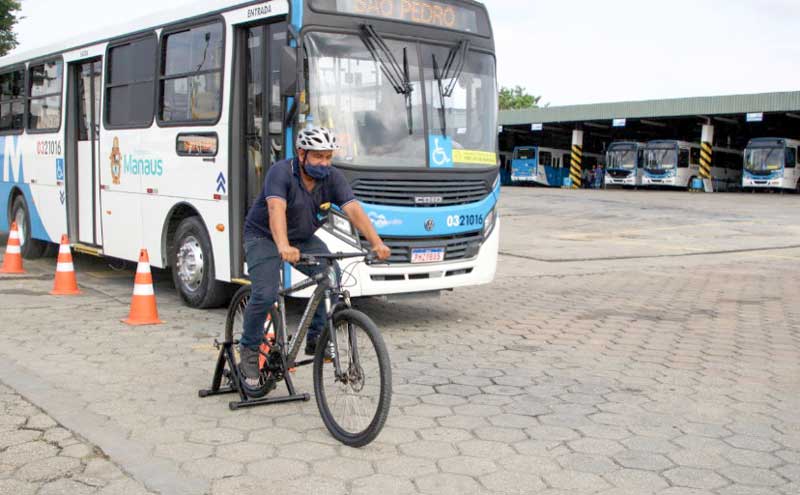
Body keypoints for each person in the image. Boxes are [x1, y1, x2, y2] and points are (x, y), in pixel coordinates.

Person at [240, 126, 391, 390]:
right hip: (263, 235)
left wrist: (376, 242)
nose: (324, 163)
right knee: (265, 294)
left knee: (332, 276)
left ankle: (317, 338)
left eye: (328, 157)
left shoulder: (332, 178)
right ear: (301, 154)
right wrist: (283, 245)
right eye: (318, 157)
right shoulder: (281, 173)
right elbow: (276, 209)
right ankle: (250, 351)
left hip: (301, 237)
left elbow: (353, 209)